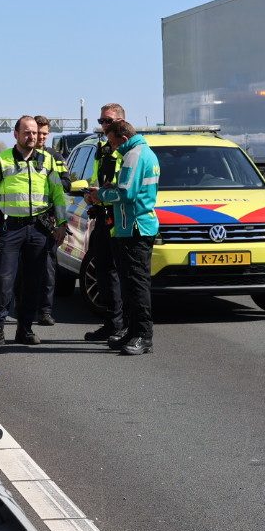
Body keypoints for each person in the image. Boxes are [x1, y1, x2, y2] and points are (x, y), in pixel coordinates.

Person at [0, 116, 68, 348]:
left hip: (38, 228)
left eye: (34, 132)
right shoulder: (1, 160)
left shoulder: (47, 160)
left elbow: (58, 194)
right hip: (10, 228)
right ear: (16, 134)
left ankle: (25, 328)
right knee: (3, 279)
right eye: (26, 132)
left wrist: (62, 223)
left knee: (32, 282)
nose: (31, 137)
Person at [84, 117, 160, 356]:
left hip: (135, 227)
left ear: (124, 138)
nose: (113, 148)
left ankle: (143, 335)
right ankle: (131, 330)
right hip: (131, 227)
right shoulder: (141, 152)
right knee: (128, 284)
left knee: (136, 285)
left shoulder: (134, 155)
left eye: (114, 143)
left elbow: (126, 193)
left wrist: (101, 195)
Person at [81, 104, 127, 346]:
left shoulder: (128, 149)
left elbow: (125, 185)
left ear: (121, 122)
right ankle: (112, 323)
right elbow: (99, 178)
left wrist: (105, 194)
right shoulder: (102, 148)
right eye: (101, 121)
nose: (103, 126)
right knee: (103, 271)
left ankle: (125, 326)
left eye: (107, 121)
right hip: (102, 215)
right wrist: (92, 193)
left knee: (122, 274)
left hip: (122, 218)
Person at [31, 116, 65, 326]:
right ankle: (23, 306)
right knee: (22, 269)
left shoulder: (55, 156)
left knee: (48, 268)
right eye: (39, 133)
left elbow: (66, 184)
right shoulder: (19, 156)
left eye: (45, 134)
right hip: (21, 221)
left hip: (47, 221)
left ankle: (45, 310)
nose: (41, 137)